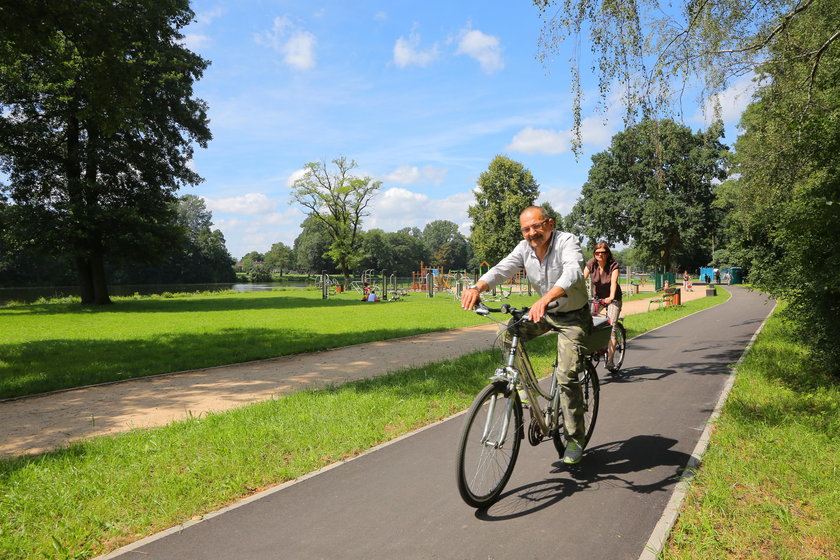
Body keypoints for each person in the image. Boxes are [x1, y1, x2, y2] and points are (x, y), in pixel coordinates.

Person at [460, 206, 591, 465]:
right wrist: (477, 287)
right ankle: (520, 388)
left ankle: (576, 439)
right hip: (543, 312)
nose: (532, 233)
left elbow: (573, 271)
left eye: (537, 226)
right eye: (526, 229)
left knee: (566, 377)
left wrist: (546, 297)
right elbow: (502, 269)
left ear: (550, 223)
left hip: (573, 315)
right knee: (506, 332)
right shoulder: (524, 249)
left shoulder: (567, 241)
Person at [583, 242, 623, 371]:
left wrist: (611, 297)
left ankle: (610, 361)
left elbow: (613, 282)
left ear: (607, 254)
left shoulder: (613, 265)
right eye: (597, 252)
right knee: (589, 323)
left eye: (603, 252)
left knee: (612, 327)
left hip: (613, 298)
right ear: (594, 253)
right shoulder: (591, 264)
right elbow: (581, 279)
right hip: (597, 298)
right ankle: (595, 346)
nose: (600, 254)